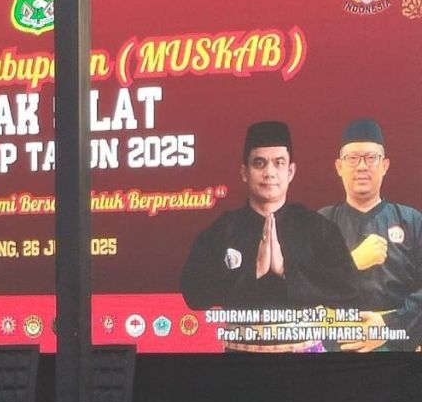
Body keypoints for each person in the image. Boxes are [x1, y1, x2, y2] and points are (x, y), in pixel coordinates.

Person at [180, 121, 357, 351]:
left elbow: (349, 289)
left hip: (307, 360)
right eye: (259, 163)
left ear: (290, 172)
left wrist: (287, 271)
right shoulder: (223, 229)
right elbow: (193, 293)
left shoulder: (316, 227)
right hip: (240, 358)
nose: (269, 173)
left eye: (279, 163)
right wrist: (252, 272)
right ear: (244, 172)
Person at [318, 118, 422, 352]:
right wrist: (351, 262)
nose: (362, 166)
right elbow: (301, 288)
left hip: (395, 345)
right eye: (352, 158)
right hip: (335, 348)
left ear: (385, 165)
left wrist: (387, 326)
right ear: (339, 167)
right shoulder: (321, 222)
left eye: (371, 158)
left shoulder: (412, 221)